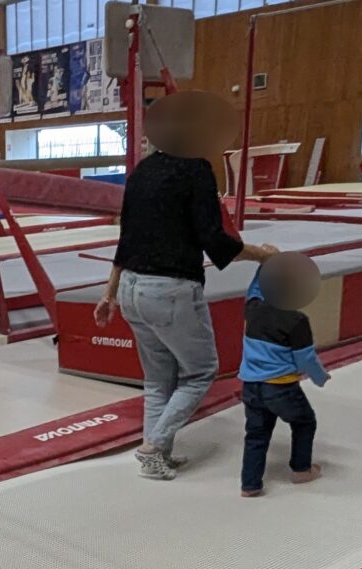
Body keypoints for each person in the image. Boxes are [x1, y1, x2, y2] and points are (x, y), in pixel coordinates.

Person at [95, 91, 278, 481]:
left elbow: (126, 239)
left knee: (158, 380)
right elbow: (214, 239)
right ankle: (153, 446)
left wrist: (109, 293)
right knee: (200, 372)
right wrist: (262, 256)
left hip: (131, 290)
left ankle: (157, 458)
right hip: (170, 290)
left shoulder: (142, 171)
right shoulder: (195, 170)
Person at [238, 252, 330, 498]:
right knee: (304, 422)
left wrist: (266, 263)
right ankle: (301, 469)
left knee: (256, 433)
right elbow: (305, 358)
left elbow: (254, 289)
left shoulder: (253, 309)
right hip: (281, 388)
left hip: (251, 386)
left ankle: (250, 484)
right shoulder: (296, 320)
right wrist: (320, 378)